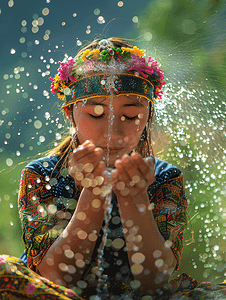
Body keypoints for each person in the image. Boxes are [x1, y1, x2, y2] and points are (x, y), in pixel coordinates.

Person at [0, 37, 226, 300]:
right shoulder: (42, 176)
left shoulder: (164, 178)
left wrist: (135, 198)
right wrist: (93, 193)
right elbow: (55, 277)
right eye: (96, 114)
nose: (113, 131)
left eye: (130, 116)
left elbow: (155, 281)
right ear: (70, 113)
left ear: (148, 116)